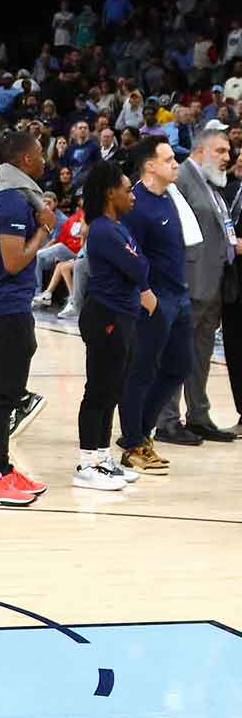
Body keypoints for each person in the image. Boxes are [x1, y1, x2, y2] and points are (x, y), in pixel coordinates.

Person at [0, 131, 53, 505]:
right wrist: (44, 230)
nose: (45, 160)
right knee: (2, 395)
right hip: (6, 309)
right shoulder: (15, 203)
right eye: (39, 154)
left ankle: (0, 467)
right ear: (25, 161)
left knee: (2, 393)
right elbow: (14, 260)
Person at [153, 128, 240, 444]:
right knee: (176, 354)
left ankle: (199, 416)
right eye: (220, 151)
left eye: (228, 152)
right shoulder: (182, 179)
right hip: (187, 284)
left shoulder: (213, 184)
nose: (227, 158)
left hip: (213, 284)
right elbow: (170, 233)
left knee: (199, 355)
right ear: (201, 150)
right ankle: (166, 422)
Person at [117, 138, 195, 474]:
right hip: (154, 299)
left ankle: (141, 432)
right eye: (168, 159)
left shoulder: (168, 199)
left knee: (179, 367)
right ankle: (133, 441)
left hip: (179, 297)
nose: (175, 164)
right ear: (150, 165)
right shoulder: (136, 204)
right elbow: (128, 255)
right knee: (142, 370)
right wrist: (144, 292)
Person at [74, 161, 153, 488]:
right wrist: (138, 263)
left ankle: (103, 458)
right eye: (126, 188)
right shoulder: (105, 230)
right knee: (99, 390)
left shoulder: (117, 226)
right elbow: (139, 268)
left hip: (121, 315)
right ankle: (85, 464)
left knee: (112, 390)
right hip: (105, 315)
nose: (132, 195)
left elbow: (139, 263)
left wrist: (138, 262)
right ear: (110, 193)